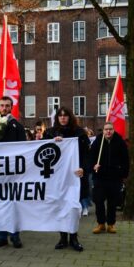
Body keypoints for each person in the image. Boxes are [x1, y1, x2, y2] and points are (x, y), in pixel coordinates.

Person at [44, 107, 89, 252]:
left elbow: (88, 154)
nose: (63, 118)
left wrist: (84, 168)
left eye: (65, 116)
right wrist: (52, 142)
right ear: (57, 118)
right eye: (60, 116)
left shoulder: (79, 133)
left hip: (75, 176)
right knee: (60, 206)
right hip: (57, 178)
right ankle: (63, 238)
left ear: (70, 117)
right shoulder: (50, 132)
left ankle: (74, 237)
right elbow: (42, 149)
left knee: (74, 208)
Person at [0, 96, 27, 248]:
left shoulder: (17, 126)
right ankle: (1, 235)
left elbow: (24, 149)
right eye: (2, 105)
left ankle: (15, 235)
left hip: (13, 172)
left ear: (11, 107)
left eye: (7, 106)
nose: (4, 108)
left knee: (14, 204)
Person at [89, 122, 130, 234]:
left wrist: (123, 173)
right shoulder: (98, 141)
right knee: (98, 201)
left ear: (113, 130)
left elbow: (126, 160)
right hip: (100, 177)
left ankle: (111, 224)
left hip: (114, 178)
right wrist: (94, 166)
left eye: (110, 129)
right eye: (106, 129)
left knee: (112, 202)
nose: (108, 131)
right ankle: (101, 223)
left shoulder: (120, 142)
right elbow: (91, 157)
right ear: (103, 130)